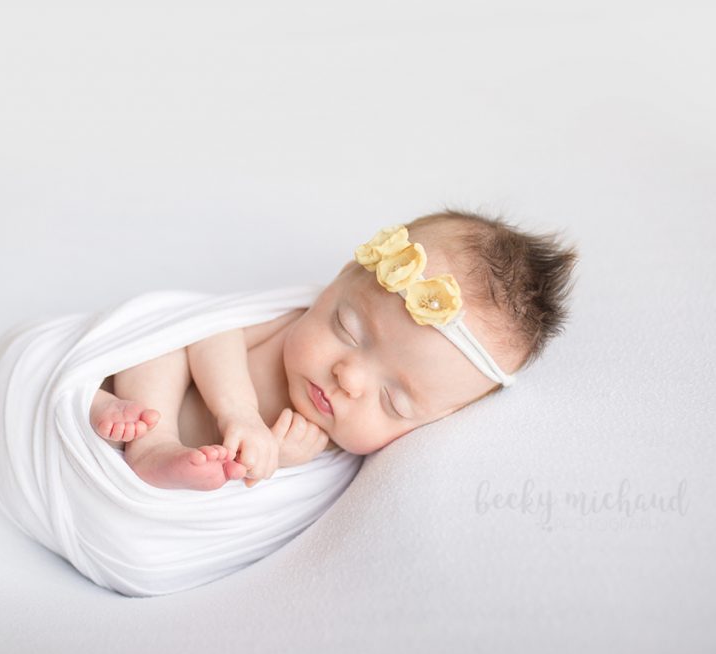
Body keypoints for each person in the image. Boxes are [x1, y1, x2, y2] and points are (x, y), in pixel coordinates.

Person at [88, 209, 578, 491]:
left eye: (394, 401)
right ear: (338, 282)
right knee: (162, 342)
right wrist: (238, 413)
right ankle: (127, 426)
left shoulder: (324, 453)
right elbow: (209, 331)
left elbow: (255, 499)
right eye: (347, 328)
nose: (350, 379)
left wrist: (274, 458)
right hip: (139, 397)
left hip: (182, 467)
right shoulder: (286, 326)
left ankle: (131, 436)